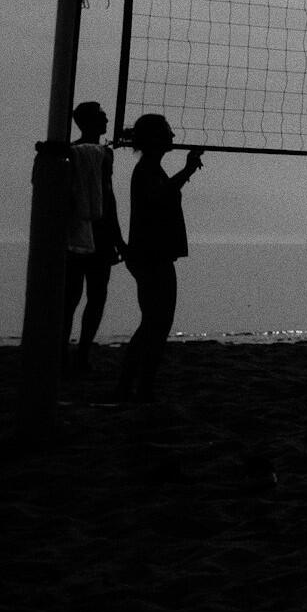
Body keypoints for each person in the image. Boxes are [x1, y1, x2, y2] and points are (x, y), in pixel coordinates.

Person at [115, 114, 204, 402]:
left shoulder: (151, 168)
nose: (172, 137)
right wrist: (188, 169)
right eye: (167, 133)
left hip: (154, 254)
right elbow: (160, 196)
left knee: (156, 323)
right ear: (154, 138)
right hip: (150, 255)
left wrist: (186, 170)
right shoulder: (147, 171)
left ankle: (138, 387)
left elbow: (162, 195)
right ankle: (136, 388)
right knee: (155, 323)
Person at [63, 100, 125, 374]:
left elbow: (108, 196)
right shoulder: (90, 153)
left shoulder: (80, 152)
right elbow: (107, 197)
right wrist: (118, 238)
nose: (107, 119)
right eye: (102, 116)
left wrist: (117, 238)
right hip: (86, 231)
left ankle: (77, 353)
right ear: (88, 121)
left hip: (87, 231)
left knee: (87, 296)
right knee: (78, 297)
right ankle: (75, 354)